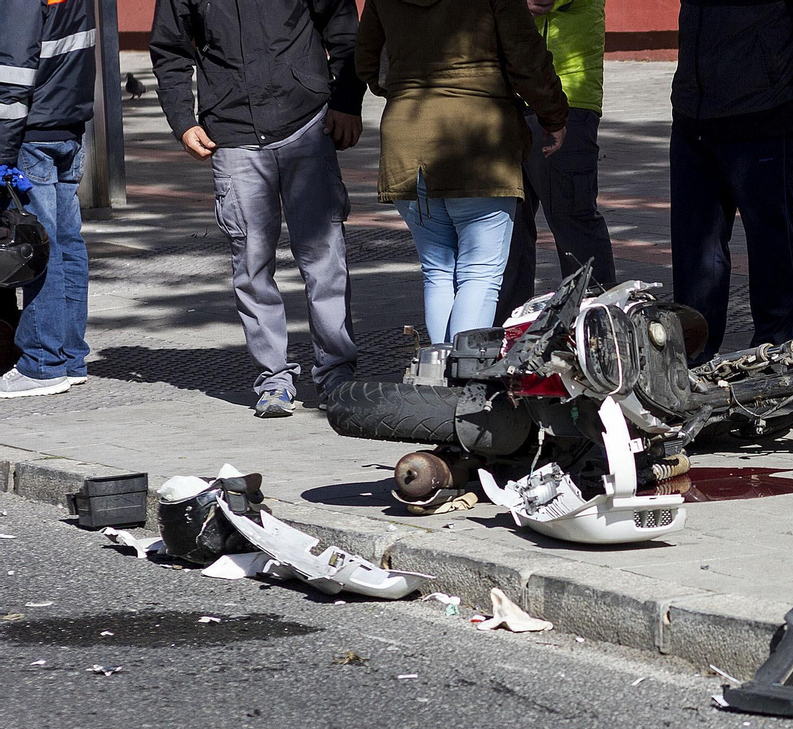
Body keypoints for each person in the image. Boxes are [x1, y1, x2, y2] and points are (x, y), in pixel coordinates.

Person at [150, 0, 365, 418]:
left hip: (307, 125)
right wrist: (182, 120)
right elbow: (169, 51)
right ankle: (274, 378)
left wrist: (347, 101)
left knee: (324, 260)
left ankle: (336, 373)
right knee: (250, 263)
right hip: (231, 135)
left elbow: (344, 33)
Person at [357, 0, 568, 346]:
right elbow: (525, 55)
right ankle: (460, 379)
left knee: (438, 274)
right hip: (478, 139)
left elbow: (366, 61)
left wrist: (404, 89)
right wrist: (554, 116)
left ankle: (441, 375)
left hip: (407, 140)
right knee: (480, 274)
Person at [669, 0, 793, 365]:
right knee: (695, 247)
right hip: (694, 113)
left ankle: (780, 348)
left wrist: (783, 79)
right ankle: (694, 354)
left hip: (766, 113)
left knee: (771, 240)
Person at [496, 0, 616, 322]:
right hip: (507, 96)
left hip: (563, 97)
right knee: (508, 231)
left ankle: (599, 333)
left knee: (573, 224)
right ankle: (507, 337)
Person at [0, 0, 96, 400]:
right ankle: (70, 358)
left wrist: (3, 153)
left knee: (36, 248)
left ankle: (42, 364)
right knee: (67, 245)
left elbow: (14, 73)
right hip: (67, 128)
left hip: (31, 135)